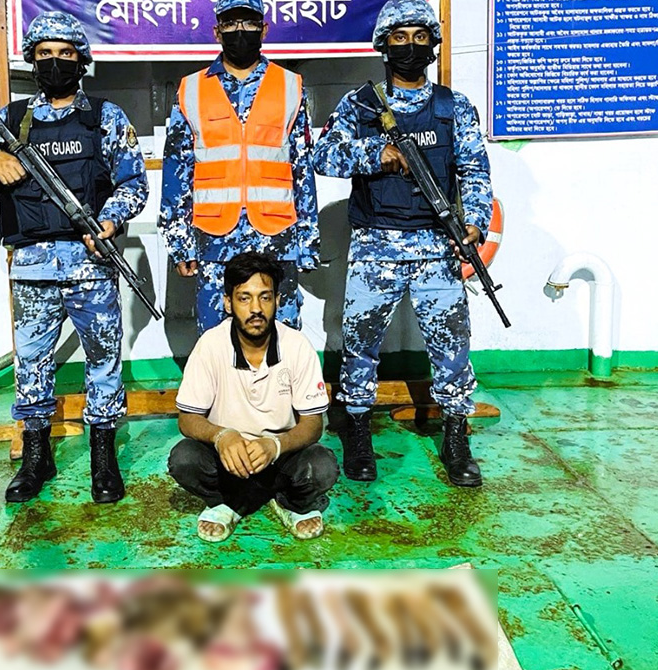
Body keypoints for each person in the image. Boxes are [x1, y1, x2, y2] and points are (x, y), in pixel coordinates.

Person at [311, 0, 493, 488]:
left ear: (433, 43)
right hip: (376, 245)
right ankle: (358, 432)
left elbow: (475, 170)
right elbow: (322, 156)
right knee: (359, 345)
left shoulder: (454, 107)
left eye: (419, 36)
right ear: (383, 45)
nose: (410, 46)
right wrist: (378, 152)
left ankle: (455, 436)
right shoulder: (360, 105)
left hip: (436, 245)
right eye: (399, 37)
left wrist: (474, 223)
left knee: (452, 347)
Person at [0, 11, 149, 504]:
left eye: (65, 54)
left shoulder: (105, 117)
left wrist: (109, 220)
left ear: (81, 60)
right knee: (31, 363)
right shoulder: (11, 121)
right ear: (32, 59)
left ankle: (102, 458)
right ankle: (36, 457)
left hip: (91, 264)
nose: (55, 62)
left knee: (103, 360)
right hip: (31, 267)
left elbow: (134, 184)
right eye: (45, 54)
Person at [157, 0, 320, 335]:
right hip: (214, 238)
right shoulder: (191, 89)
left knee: (281, 338)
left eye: (248, 22)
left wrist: (308, 240)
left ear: (264, 29)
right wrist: (178, 242)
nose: (240, 31)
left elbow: (302, 167)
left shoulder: (290, 85)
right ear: (217, 32)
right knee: (216, 340)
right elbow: (177, 169)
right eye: (230, 24)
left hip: (277, 238)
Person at [168, 252, 338, 542]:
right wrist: (222, 437)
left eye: (265, 297)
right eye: (244, 298)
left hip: (281, 456)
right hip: (229, 460)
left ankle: (283, 503)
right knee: (184, 459)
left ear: (278, 301)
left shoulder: (297, 346)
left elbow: (313, 424)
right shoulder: (210, 344)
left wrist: (276, 444)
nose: (256, 309)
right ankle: (230, 502)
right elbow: (188, 419)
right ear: (228, 303)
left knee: (322, 467)